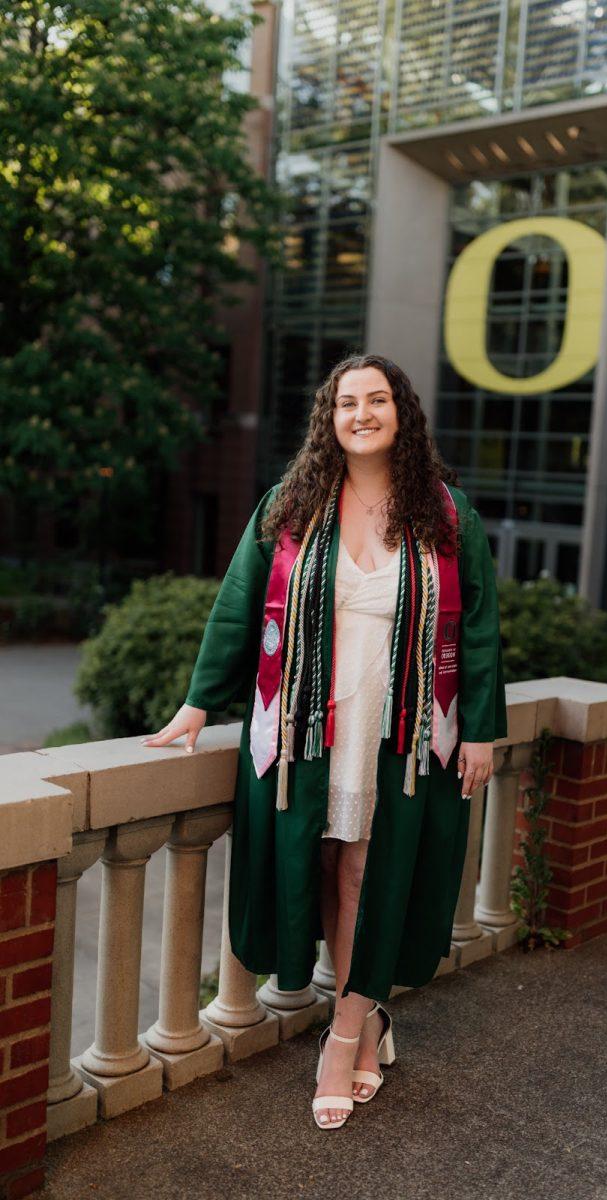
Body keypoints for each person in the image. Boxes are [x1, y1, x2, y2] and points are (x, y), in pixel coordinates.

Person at [142, 353, 507, 1129]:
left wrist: (481, 728)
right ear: (328, 418)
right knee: (335, 868)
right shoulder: (291, 503)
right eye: (347, 403)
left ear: (400, 414)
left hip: (402, 728)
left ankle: (341, 1038)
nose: (362, 414)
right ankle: (368, 1019)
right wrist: (197, 704)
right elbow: (240, 603)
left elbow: (477, 625)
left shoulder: (447, 515)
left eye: (378, 400)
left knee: (372, 873)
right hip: (312, 724)